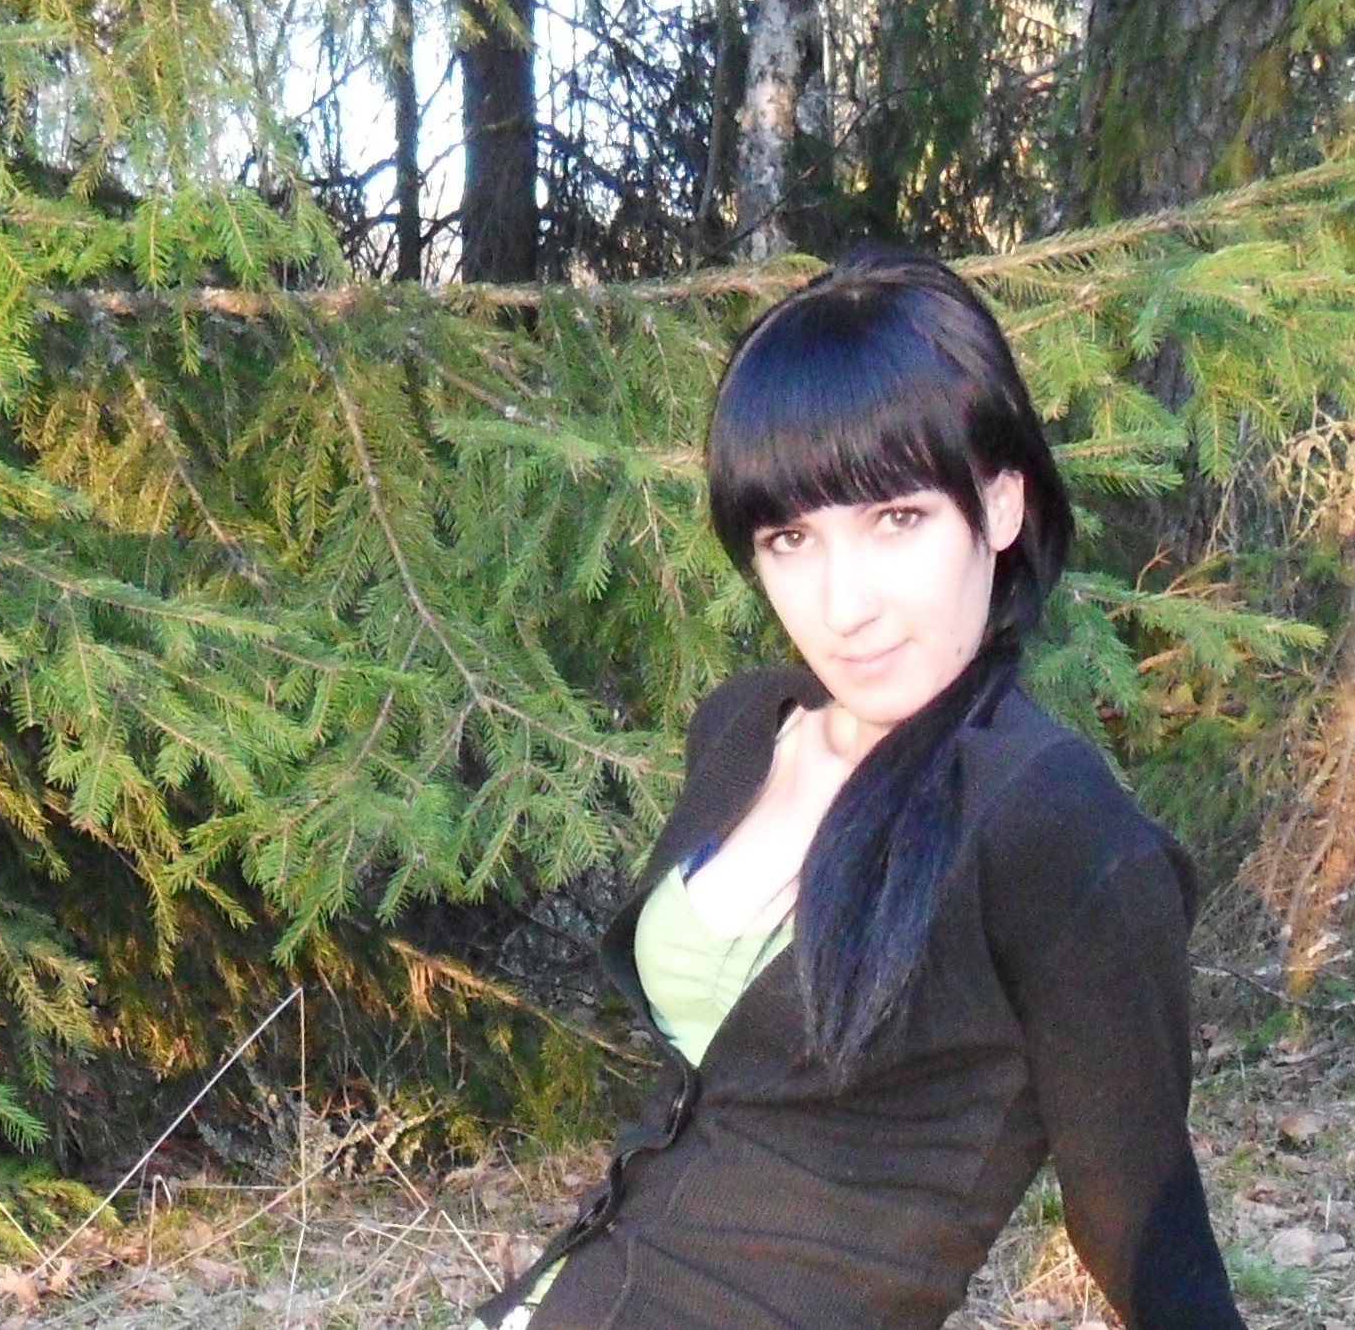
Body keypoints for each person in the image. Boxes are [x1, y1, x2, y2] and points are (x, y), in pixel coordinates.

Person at [468, 252, 1244, 1329]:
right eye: (791, 538)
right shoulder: (745, 727)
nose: (842, 606)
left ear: (1001, 503)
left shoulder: (1049, 822)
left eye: (896, 519)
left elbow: (1147, 1233)